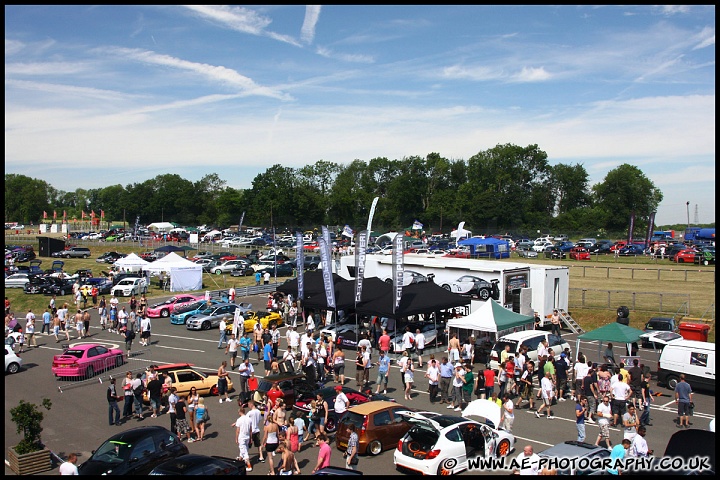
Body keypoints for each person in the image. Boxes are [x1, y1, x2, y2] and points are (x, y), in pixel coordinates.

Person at [235, 406, 253, 472]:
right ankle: (240, 459)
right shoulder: (249, 419)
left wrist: (236, 438)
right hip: (247, 437)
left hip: (242, 437)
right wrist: (251, 438)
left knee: (244, 451)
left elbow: (237, 431)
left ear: (240, 412)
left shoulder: (239, 420)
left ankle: (249, 465)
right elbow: (251, 430)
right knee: (244, 449)